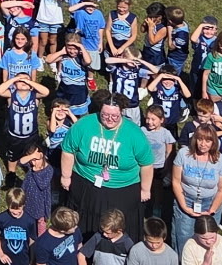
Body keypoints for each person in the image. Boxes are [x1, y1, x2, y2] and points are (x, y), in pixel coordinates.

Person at [60, 92, 156, 241]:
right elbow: (68, 150)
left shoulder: (134, 133)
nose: (109, 119)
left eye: (114, 116)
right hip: (87, 183)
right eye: (105, 115)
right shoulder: (84, 124)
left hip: (122, 189)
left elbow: (147, 164)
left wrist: (145, 189)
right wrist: (65, 176)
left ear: (122, 113)